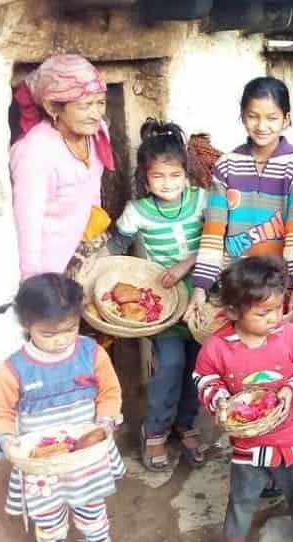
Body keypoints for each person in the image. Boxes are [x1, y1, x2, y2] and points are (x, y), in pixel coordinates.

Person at [193, 255, 293, 542]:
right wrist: (220, 402)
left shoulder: (290, 334)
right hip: (248, 445)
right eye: (262, 313)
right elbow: (205, 378)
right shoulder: (217, 347)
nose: (274, 318)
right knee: (241, 500)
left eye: (277, 309)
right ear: (232, 312)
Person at [0, 273, 125, 542]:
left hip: (86, 461)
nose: (61, 340)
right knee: (49, 526)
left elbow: (109, 392)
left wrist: (106, 421)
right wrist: (6, 442)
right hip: (42, 470)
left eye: (70, 329)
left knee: (94, 517)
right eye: (48, 334)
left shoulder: (92, 353)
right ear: (27, 325)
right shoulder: (14, 369)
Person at [103, 118, 207, 471]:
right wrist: (96, 274)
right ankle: (156, 432)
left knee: (198, 366)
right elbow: (116, 245)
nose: (168, 184)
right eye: (158, 177)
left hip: (203, 299)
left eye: (175, 175)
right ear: (145, 179)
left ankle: (186, 423)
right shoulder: (138, 211)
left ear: (186, 174)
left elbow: (218, 238)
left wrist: (187, 263)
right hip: (162, 304)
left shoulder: (200, 201)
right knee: (171, 365)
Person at [184, 76, 293, 324]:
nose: (261, 125)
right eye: (253, 116)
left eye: (272, 117)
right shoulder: (226, 166)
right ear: (242, 116)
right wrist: (201, 287)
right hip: (236, 286)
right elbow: (213, 231)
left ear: (286, 119)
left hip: (277, 289)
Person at [10, 54, 116, 280]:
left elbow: (91, 186)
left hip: (86, 244)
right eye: (86, 105)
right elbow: (28, 222)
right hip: (52, 263)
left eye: (101, 102)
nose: (97, 114)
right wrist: (33, 280)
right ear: (51, 107)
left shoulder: (97, 132)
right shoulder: (35, 153)